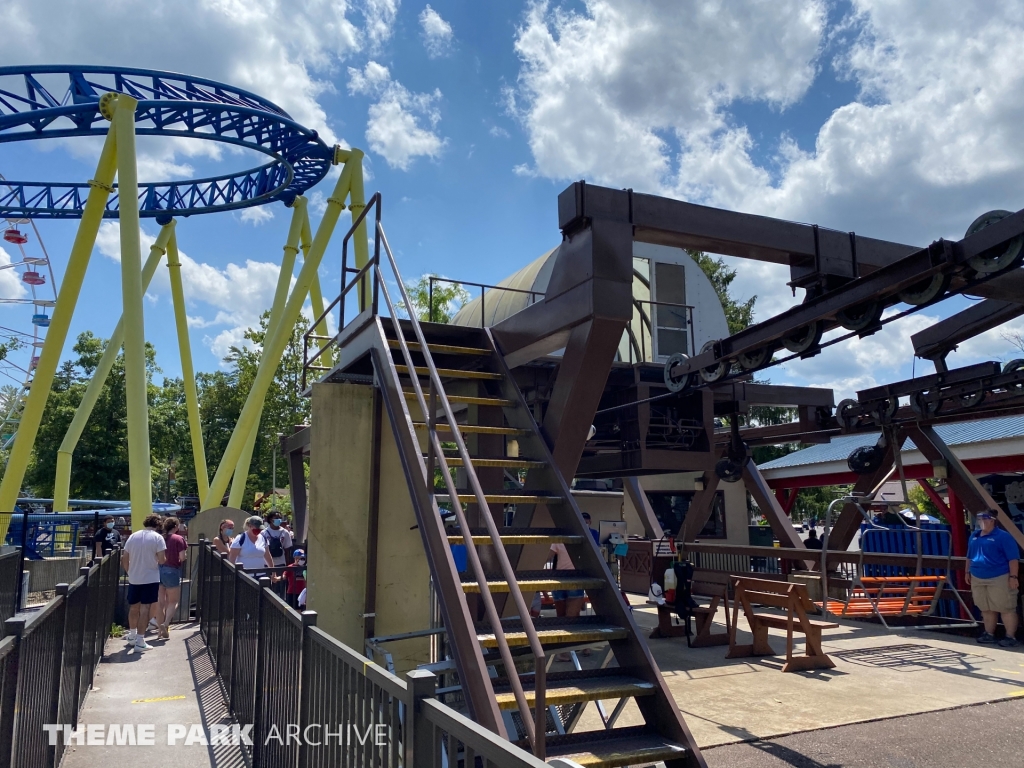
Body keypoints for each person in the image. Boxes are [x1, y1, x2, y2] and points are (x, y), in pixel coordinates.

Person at [966, 510, 1020, 647]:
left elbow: (1013, 559)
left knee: (1006, 607)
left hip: (999, 576)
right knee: (985, 607)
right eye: (979, 519)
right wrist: (967, 572)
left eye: (984, 518)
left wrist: (1013, 577)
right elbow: (969, 557)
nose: (981, 521)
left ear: (992, 520)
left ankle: (1010, 637)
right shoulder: (974, 536)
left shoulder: (1003, 536)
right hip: (977, 576)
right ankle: (989, 634)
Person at [121, 514, 167, 652]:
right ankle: (140, 641)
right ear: (158, 525)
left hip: (134, 578)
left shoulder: (133, 536)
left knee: (133, 608)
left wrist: (130, 572)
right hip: (150, 577)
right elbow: (162, 560)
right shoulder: (158, 538)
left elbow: (124, 558)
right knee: (145, 609)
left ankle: (132, 635)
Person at [549, 541, 589, 660]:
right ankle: (578, 645)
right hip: (572, 578)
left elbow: (547, 556)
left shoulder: (559, 540)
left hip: (560, 578)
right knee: (570, 617)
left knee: (567, 617)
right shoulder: (579, 540)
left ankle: (566, 649)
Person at [157, 517, 187, 640]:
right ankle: (166, 624)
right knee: (173, 601)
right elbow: (182, 557)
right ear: (175, 526)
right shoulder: (178, 539)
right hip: (172, 570)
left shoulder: (161, 538)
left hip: (159, 570)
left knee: (160, 603)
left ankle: (159, 630)